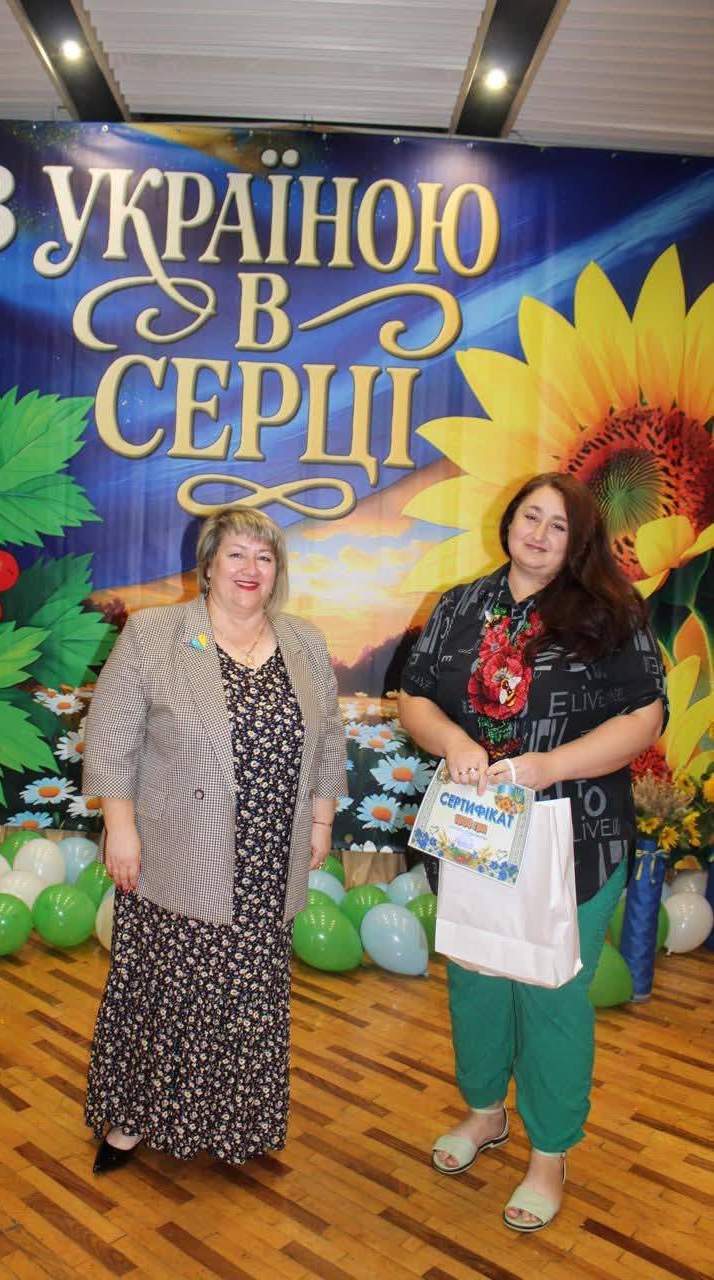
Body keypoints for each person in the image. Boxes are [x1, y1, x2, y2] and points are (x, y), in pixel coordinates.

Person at [399, 472, 666, 1232]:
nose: (540, 534)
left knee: (550, 989)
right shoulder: (460, 605)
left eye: (559, 524)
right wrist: (453, 741)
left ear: (578, 539)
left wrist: (547, 766)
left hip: (575, 831)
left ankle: (549, 1152)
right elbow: (414, 695)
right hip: (475, 825)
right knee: (476, 976)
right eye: (530, 516)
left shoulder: (611, 611)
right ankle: (485, 1111)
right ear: (508, 521)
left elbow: (643, 717)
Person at [82, 505, 348, 1172]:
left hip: (269, 857)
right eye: (236, 554)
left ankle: (235, 1123)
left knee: (249, 997)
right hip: (177, 851)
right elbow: (111, 739)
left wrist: (321, 822)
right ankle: (133, 1120)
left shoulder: (305, 641)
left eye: (264, 557)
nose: (250, 569)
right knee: (166, 991)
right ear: (207, 567)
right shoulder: (156, 633)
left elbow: (329, 742)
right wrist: (120, 829)